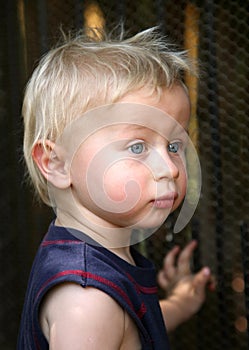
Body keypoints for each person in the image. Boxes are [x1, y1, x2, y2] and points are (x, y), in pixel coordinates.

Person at [17, 27, 215, 349]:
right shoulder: (86, 302)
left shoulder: (91, 258)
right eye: (137, 147)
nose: (169, 169)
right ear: (56, 163)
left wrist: (179, 303)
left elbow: (127, 327)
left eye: (175, 145)